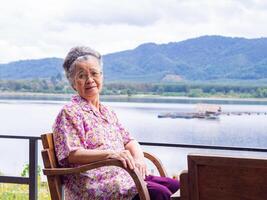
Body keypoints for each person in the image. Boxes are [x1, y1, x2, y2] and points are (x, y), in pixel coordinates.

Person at [53, 46, 180, 200]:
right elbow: (72, 153)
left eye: (94, 73)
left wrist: (138, 159)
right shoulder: (70, 112)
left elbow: (129, 141)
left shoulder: (107, 112)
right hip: (94, 184)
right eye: (81, 76)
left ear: (101, 76)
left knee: (179, 186)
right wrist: (111, 154)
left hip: (124, 175)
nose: (90, 80)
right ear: (73, 83)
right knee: (159, 193)